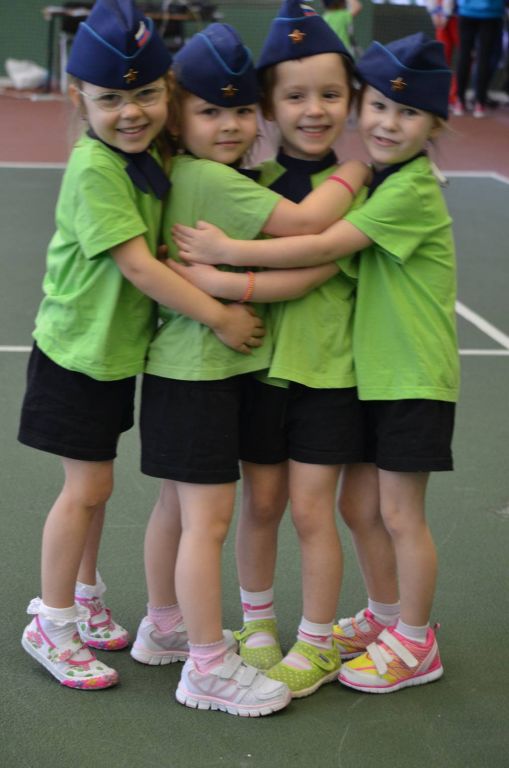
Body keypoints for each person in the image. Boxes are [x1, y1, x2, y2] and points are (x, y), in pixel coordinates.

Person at [173, 32, 460, 694]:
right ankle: (272, 624)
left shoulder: (368, 192)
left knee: (342, 512)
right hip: (275, 374)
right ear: (269, 107)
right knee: (291, 504)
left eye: (331, 94)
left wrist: (222, 269)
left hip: (351, 376)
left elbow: (318, 251)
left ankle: (339, 639)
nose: (314, 110)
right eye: (294, 96)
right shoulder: (264, 187)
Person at [18, 0, 265, 691]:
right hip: (76, 354)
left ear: (167, 92)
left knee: (96, 488)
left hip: (113, 355)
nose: (131, 112)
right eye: (110, 99)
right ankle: (52, 622)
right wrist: (220, 316)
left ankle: (85, 597)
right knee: (86, 488)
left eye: (147, 94)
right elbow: (138, 268)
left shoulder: (146, 156)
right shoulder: (96, 167)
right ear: (78, 99)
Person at [129, 21, 369, 715]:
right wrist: (356, 174)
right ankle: (213, 656)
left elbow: (303, 246)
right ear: (180, 115)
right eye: (211, 110)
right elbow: (306, 231)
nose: (230, 124)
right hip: (212, 373)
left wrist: (223, 277)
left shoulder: (196, 174)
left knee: (185, 511)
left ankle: (173, 628)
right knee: (213, 518)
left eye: (239, 110)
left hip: (224, 371)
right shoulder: (222, 180)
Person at [453, 0, 505, 117]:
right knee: (484, 57)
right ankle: (479, 103)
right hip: (491, 12)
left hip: (466, 11)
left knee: (464, 56)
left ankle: (460, 101)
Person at [427, 0, 459, 106]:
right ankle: (444, 95)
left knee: (466, 57)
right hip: (442, 17)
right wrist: (434, 12)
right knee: (442, 57)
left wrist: (444, 14)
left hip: (459, 16)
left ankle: (454, 95)